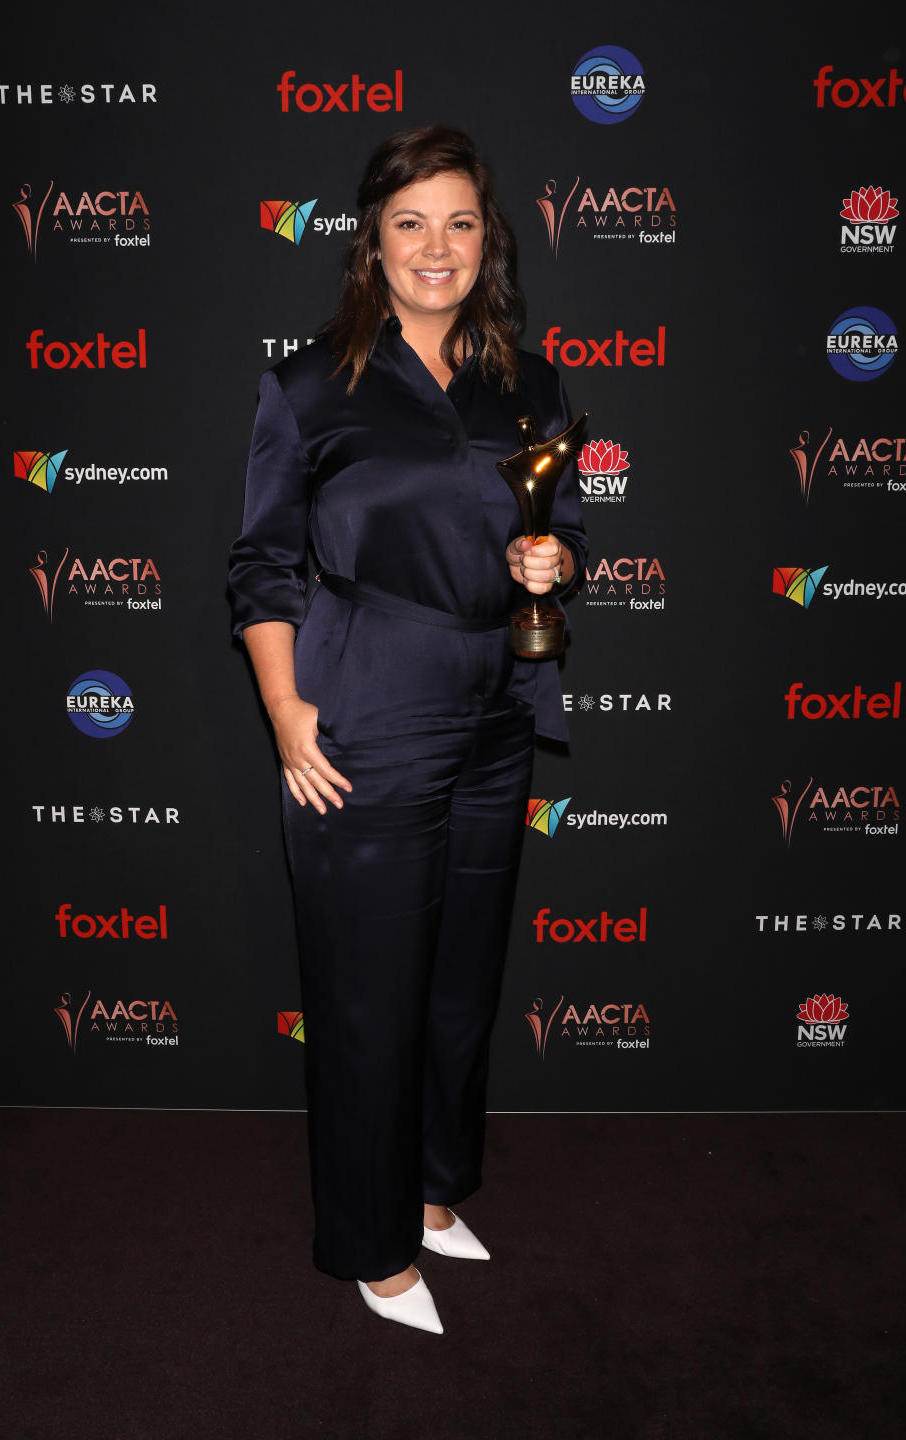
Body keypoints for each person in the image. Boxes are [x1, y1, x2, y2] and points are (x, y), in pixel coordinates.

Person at [228, 125, 587, 1335]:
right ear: (371, 243)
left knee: (460, 984)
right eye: (411, 224)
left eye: (461, 222)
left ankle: (435, 1195)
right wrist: (286, 712)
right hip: (368, 704)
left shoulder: (526, 383)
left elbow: (565, 531)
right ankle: (375, 1248)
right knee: (370, 993)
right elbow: (263, 568)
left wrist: (554, 558)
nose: (437, 247)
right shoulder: (306, 384)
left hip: (496, 707)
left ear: (491, 241)